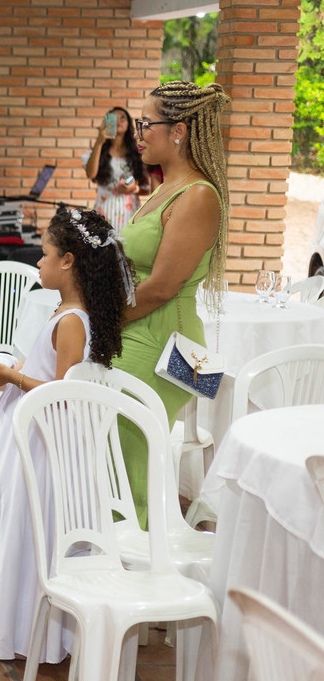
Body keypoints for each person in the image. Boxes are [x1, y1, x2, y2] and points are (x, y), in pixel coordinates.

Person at [0, 207, 132, 664]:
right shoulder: (65, 311)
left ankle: (23, 626)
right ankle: (7, 620)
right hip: (21, 429)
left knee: (22, 525)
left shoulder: (72, 320)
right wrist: (16, 366)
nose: (38, 262)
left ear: (68, 262)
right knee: (6, 521)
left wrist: (13, 377)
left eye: (44, 254)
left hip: (39, 440)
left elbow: (62, 390)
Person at [114, 81, 231, 528]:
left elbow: (162, 286)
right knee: (110, 451)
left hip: (165, 344)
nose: (138, 133)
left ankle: (136, 552)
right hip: (140, 330)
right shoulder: (165, 187)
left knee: (127, 458)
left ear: (178, 131)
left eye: (145, 123)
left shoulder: (199, 195)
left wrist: (99, 318)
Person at [81, 106, 150, 230]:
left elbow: (147, 189)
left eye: (123, 117)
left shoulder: (137, 154)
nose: (119, 120)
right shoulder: (98, 152)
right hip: (104, 211)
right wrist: (99, 141)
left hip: (129, 212)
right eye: (114, 117)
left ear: (128, 124)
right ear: (107, 122)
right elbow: (91, 174)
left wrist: (134, 188)